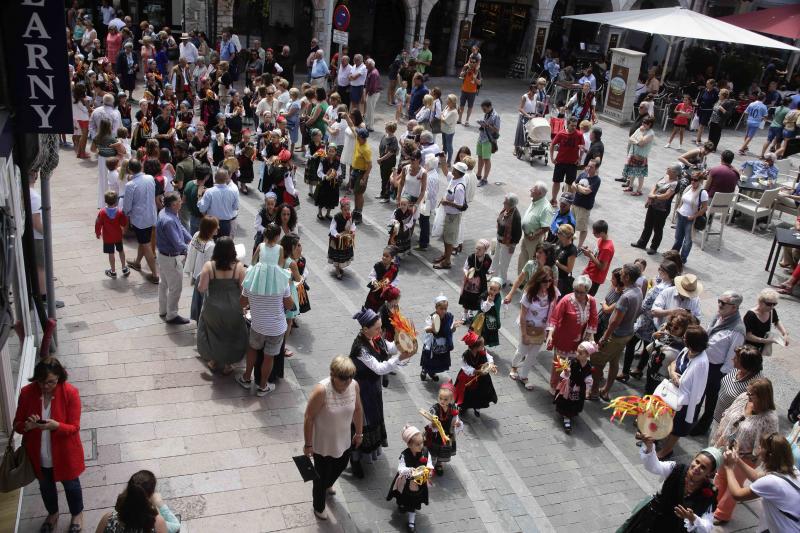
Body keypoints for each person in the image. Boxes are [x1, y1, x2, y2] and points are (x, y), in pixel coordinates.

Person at [14, 357, 85, 533]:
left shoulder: (70, 392)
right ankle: (53, 514)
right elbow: (17, 424)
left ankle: (77, 514)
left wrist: (57, 426)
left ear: (59, 377)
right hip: (39, 456)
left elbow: (74, 427)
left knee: (71, 485)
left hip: (64, 454)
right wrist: (27, 427)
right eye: (41, 382)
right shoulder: (26, 393)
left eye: (51, 382)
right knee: (45, 487)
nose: (45, 386)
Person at [349, 307, 415, 477]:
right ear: (365, 329)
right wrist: (400, 357)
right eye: (377, 328)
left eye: (380, 327)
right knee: (362, 422)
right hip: (361, 390)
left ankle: (367, 451)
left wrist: (403, 342)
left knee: (374, 417)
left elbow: (390, 347)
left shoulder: (376, 338)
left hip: (373, 388)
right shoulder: (360, 348)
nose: (380, 331)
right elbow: (379, 368)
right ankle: (354, 459)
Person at [619, 433, 720, 532]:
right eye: (697, 462)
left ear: (710, 473)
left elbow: (707, 526)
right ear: (693, 459)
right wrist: (649, 447)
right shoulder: (676, 468)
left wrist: (693, 518)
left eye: (703, 467)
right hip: (652, 520)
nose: (697, 468)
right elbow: (654, 466)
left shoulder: (710, 492)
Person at [302, 355, 363, 520]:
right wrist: (308, 445)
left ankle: (329, 483)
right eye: (343, 379)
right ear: (332, 375)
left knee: (341, 465)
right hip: (322, 444)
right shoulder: (322, 390)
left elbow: (357, 409)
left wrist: (359, 433)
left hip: (344, 439)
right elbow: (309, 417)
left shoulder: (354, 386)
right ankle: (318, 506)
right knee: (319, 478)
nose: (347, 383)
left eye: (350, 378)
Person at [711, 378, 779, 524]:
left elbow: (769, 441)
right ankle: (713, 503)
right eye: (748, 392)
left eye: (751, 394)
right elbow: (728, 415)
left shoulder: (770, 418)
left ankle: (722, 514)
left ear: (763, 396)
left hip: (745, 457)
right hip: (727, 448)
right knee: (721, 476)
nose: (747, 395)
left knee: (733, 485)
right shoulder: (743, 398)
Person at [690, 291, 746, 437]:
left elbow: (731, 357)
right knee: (697, 393)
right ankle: (690, 419)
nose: (719, 305)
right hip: (704, 362)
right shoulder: (719, 316)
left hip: (717, 370)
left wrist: (720, 375)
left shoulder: (738, 330)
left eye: (723, 303)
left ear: (734, 307)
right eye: (719, 301)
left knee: (711, 401)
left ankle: (702, 427)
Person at [722, 433, 800, 532]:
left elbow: (738, 494)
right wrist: (737, 459)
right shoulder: (793, 470)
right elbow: (757, 478)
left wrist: (729, 468)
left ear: (769, 454)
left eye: (762, 446)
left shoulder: (772, 482)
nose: (758, 448)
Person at [654, 324, 711, 460]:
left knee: (677, 428)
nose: (683, 338)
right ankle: (656, 438)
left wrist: (677, 380)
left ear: (691, 342)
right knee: (663, 418)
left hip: (685, 402)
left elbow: (693, 388)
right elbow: (673, 364)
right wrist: (673, 374)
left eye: (686, 337)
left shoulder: (701, 363)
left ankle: (666, 451)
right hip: (672, 393)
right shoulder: (687, 350)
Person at [590, 263, 643, 401]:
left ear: (627, 277)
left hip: (616, 335)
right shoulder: (638, 291)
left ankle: (594, 391)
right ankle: (606, 390)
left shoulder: (626, 297)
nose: (620, 275)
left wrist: (604, 338)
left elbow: (614, 321)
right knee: (614, 362)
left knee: (597, 361)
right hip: (627, 333)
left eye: (622, 273)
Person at [196, 236, 247, 374]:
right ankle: (228, 365)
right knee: (230, 335)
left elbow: (201, 288)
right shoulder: (239, 267)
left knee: (213, 333)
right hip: (233, 308)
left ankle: (213, 360)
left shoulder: (209, 266)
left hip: (212, 309)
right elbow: (244, 290)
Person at [510, 269, 558, 390]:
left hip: (541, 329)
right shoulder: (529, 294)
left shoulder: (553, 293)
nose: (547, 283)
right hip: (526, 327)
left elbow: (553, 313)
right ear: (538, 281)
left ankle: (524, 376)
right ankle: (514, 366)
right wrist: (524, 334)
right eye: (544, 281)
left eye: (549, 280)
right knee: (522, 351)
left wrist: (549, 331)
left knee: (532, 354)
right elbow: (522, 315)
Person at [96, 470, 180, 533]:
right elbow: (176, 526)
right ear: (150, 496)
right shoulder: (157, 523)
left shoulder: (107, 519)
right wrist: (160, 503)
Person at [386, 425, 434, 532]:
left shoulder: (425, 452)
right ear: (409, 444)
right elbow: (401, 469)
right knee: (402, 496)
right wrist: (410, 470)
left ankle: (411, 522)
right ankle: (402, 504)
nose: (421, 446)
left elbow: (429, 464)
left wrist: (430, 471)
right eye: (417, 444)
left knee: (414, 502)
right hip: (406, 482)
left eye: (422, 442)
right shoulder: (404, 455)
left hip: (419, 483)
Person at [156, 192, 192, 324]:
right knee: (175, 287)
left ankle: (163, 310)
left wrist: (192, 240)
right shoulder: (169, 220)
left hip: (163, 256)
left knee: (163, 284)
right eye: (179, 201)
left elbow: (181, 228)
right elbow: (177, 243)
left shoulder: (166, 212)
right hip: (171, 258)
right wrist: (191, 249)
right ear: (174, 204)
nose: (181, 202)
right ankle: (172, 314)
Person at [123, 159, 159, 283]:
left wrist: (126, 215)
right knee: (144, 242)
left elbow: (127, 206)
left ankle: (155, 275)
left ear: (130, 170)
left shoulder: (131, 185)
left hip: (140, 219)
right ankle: (137, 263)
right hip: (151, 216)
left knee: (146, 244)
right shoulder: (150, 178)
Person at [632, 163, 679, 255]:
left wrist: (655, 197)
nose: (667, 168)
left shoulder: (674, 183)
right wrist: (651, 196)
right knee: (647, 225)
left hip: (662, 209)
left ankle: (654, 247)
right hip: (653, 205)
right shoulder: (665, 176)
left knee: (657, 228)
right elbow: (656, 186)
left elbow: (667, 196)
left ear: (674, 172)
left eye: (669, 168)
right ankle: (642, 243)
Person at [453, 331, 497, 417]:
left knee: (480, 392)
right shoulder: (466, 355)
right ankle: (463, 406)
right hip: (468, 377)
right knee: (467, 393)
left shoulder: (482, 351)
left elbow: (488, 357)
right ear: (475, 347)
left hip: (481, 377)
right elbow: (465, 367)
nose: (484, 346)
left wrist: (491, 365)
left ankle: (477, 407)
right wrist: (475, 371)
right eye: (482, 345)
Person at [554, 341, 595, 432]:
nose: (577, 354)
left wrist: (587, 390)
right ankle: (566, 418)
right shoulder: (573, 362)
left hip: (580, 387)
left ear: (587, 355)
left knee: (575, 401)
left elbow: (588, 378)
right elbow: (566, 373)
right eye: (577, 352)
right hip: (570, 385)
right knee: (567, 400)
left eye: (580, 353)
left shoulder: (589, 366)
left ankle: (571, 413)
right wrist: (567, 372)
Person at [433, 161, 468, 269]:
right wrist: (443, 159)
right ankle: (445, 255)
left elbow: (459, 205)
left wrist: (446, 202)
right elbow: (445, 171)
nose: (452, 170)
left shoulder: (459, 187)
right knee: (446, 237)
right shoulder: (455, 179)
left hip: (453, 217)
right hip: (448, 214)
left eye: (454, 169)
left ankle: (447, 262)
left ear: (458, 172)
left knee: (449, 239)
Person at [424, 383, 463, 475]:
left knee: (443, 450)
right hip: (435, 434)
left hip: (447, 433)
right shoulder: (435, 408)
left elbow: (456, 418)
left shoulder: (453, 408)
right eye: (440, 398)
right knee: (433, 449)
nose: (442, 401)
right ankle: (430, 465)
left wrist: (457, 423)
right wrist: (433, 424)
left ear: (451, 399)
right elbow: (430, 417)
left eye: (445, 399)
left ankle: (439, 464)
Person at [516, 181, 552, 275]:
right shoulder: (535, 200)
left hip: (535, 239)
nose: (530, 190)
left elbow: (546, 227)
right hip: (527, 237)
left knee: (532, 262)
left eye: (533, 189)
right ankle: (521, 281)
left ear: (539, 193)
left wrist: (534, 235)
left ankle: (530, 283)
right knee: (523, 258)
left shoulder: (546, 208)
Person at [671, 173, 708, 265]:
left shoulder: (702, 192)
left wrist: (694, 216)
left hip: (690, 219)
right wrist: (678, 210)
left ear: (700, 181)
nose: (693, 181)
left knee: (688, 240)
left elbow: (704, 208)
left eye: (695, 180)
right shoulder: (688, 188)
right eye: (692, 179)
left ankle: (683, 258)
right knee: (678, 238)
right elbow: (682, 200)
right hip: (681, 215)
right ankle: (673, 256)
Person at [743, 288, 789, 355]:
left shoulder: (771, 311)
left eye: (774, 304)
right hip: (748, 349)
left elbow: (776, 321)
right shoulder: (751, 315)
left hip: (760, 348)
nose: (772, 307)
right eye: (769, 304)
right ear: (760, 302)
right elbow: (747, 336)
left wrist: (785, 334)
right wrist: (765, 341)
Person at [549, 117, 584, 205]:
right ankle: (553, 199)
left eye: (575, 126)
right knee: (556, 182)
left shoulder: (579, 135)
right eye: (572, 125)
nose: (573, 127)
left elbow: (582, 147)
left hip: (572, 164)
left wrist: (579, 158)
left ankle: (568, 202)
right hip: (560, 162)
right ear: (567, 124)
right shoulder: (561, 133)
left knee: (570, 184)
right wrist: (552, 158)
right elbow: (552, 144)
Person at [95, 190, 129, 279]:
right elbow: (124, 223)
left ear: (105, 201)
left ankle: (113, 271)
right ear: (116, 201)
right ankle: (124, 268)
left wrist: (98, 233)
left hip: (107, 237)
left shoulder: (102, 212)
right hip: (118, 236)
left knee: (111, 253)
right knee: (121, 251)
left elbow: (98, 223)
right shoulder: (120, 212)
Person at [197, 168, 239, 237]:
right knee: (223, 246)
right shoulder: (233, 191)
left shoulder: (209, 192)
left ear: (215, 178)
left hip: (212, 223)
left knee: (211, 244)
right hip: (226, 224)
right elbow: (235, 207)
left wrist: (199, 197)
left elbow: (202, 209)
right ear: (227, 178)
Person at [622, 116, 655, 196]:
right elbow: (631, 138)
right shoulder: (640, 129)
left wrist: (639, 136)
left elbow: (641, 143)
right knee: (632, 171)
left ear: (649, 124)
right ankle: (630, 186)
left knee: (640, 175)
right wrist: (637, 142)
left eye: (645, 123)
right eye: (643, 122)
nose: (642, 124)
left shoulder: (650, 133)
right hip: (633, 153)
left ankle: (639, 190)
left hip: (641, 156)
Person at [572, 158, 601, 249]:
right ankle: (570, 241)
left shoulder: (596, 180)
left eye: (591, 167)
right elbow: (573, 185)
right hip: (575, 203)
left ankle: (579, 246)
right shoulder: (582, 174)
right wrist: (579, 187)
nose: (588, 168)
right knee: (571, 224)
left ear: (596, 169)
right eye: (588, 166)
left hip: (584, 207)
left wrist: (577, 186)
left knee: (582, 228)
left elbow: (587, 192)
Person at [493, 193, 522, 286]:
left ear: (510, 204)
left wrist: (513, 245)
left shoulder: (516, 216)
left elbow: (518, 234)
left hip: (507, 244)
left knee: (503, 263)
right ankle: (494, 276)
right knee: (496, 259)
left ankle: (502, 281)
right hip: (499, 241)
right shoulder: (505, 210)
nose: (503, 203)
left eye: (505, 202)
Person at [581, 219, 614, 296]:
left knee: (584, 297)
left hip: (595, 277)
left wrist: (590, 255)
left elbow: (602, 267)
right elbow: (597, 256)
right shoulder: (600, 240)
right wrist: (589, 252)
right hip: (589, 271)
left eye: (595, 232)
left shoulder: (607, 248)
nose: (593, 233)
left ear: (602, 233)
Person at [328, 197, 356, 279]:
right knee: (337, 255)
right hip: (337, 239)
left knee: (343, 254)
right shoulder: (337, 217)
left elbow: (353, 225)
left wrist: (353, 231)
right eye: (345, 210)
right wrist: (336, 234)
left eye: (348, 209)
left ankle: (339, 267)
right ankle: (337, 270)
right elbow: (332, 228)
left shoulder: (350, 216)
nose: (347, 211)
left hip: (345, 238)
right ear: (341, 209)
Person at [474, 100, 499, 187]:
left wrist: (487, 126)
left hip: (488, 140)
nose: (483, 111)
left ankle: (485, 178)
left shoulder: (496, 116)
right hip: (481, 138)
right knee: (480, 157)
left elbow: (497, 130)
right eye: (483, 109)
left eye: (484, 109)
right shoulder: (487, 113)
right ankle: (478, 174)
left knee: (486, 159)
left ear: (489, 107)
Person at [694, 79, 719, 145]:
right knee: (700, 124)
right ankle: (699, 138)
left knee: (702, 125)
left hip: (708, 110)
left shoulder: (715, 92)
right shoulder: (704, 90)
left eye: (708, 83)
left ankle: (698, 140)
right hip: (701, 109)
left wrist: (713, 106)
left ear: (712, 85)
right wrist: (698, 104)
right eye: (706, 83)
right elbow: (700, 98)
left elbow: (716, 101)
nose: (706, 84)